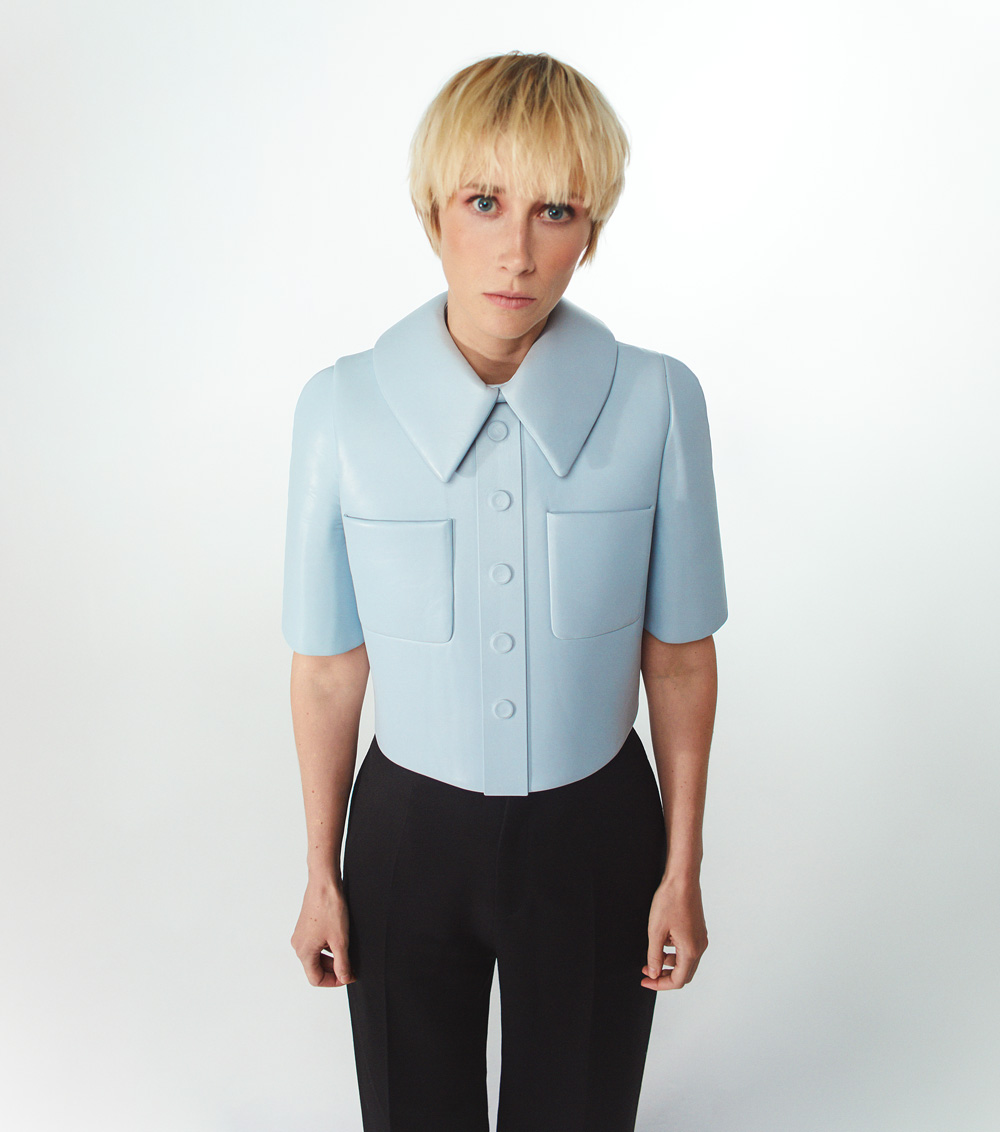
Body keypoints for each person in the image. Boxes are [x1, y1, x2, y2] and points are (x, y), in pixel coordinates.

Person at [282, 51, 727, 1132]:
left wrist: (682, 867)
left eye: (555, 210)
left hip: (597, 833)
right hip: (405, 835)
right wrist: (320, 871)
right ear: (432, 211)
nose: (517, 251)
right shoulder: (338, 409)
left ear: (591, 230)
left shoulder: (660, 401)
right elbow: (329, 670)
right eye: (484, 202)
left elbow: (678, 660)